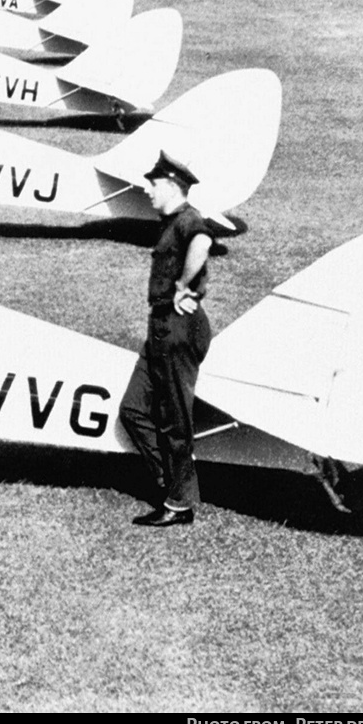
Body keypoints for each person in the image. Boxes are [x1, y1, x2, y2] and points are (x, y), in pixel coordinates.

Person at [119, 150, 215, 528]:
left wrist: (182, 285)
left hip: (177, 329)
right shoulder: (171, 221)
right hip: (160, 328)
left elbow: (203, 242)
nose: (148, 191)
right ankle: (170, 484)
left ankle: (178, 504)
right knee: (134, 409)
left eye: (153, 184)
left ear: (173, 186)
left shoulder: (189, 220)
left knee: (176, 420)